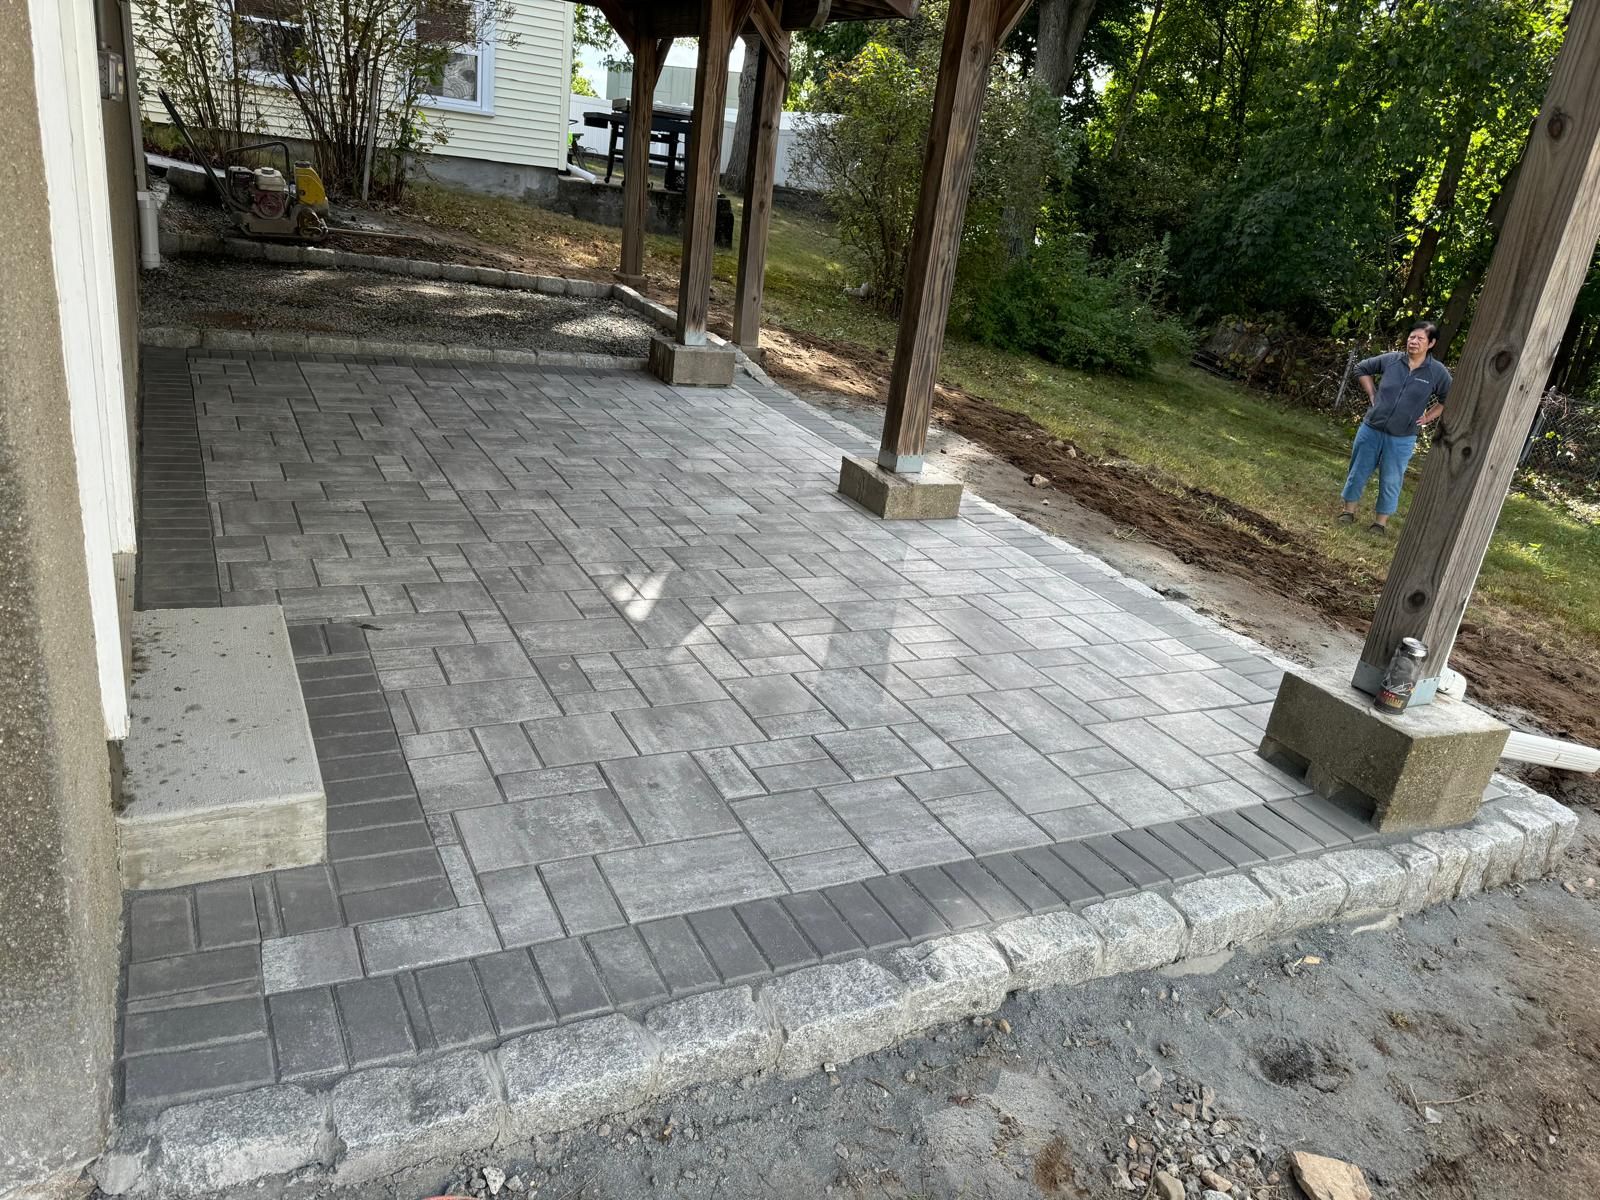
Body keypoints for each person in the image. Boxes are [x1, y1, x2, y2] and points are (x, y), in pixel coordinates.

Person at [1339, 320, 1452, 535]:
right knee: (1358, 470)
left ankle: (1379, 523)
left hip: (1402, 437)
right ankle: (1348, 511)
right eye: (1411, 337)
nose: (1414, 341)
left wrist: (1428, 417)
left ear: (1431, 343)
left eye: (1420, 338)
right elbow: (1361, 368)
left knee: (1391, 479)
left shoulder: (1437, 372)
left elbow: (1449, 398)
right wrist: (1372, 394)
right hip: (1371, 429)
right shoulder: (1391, 360)